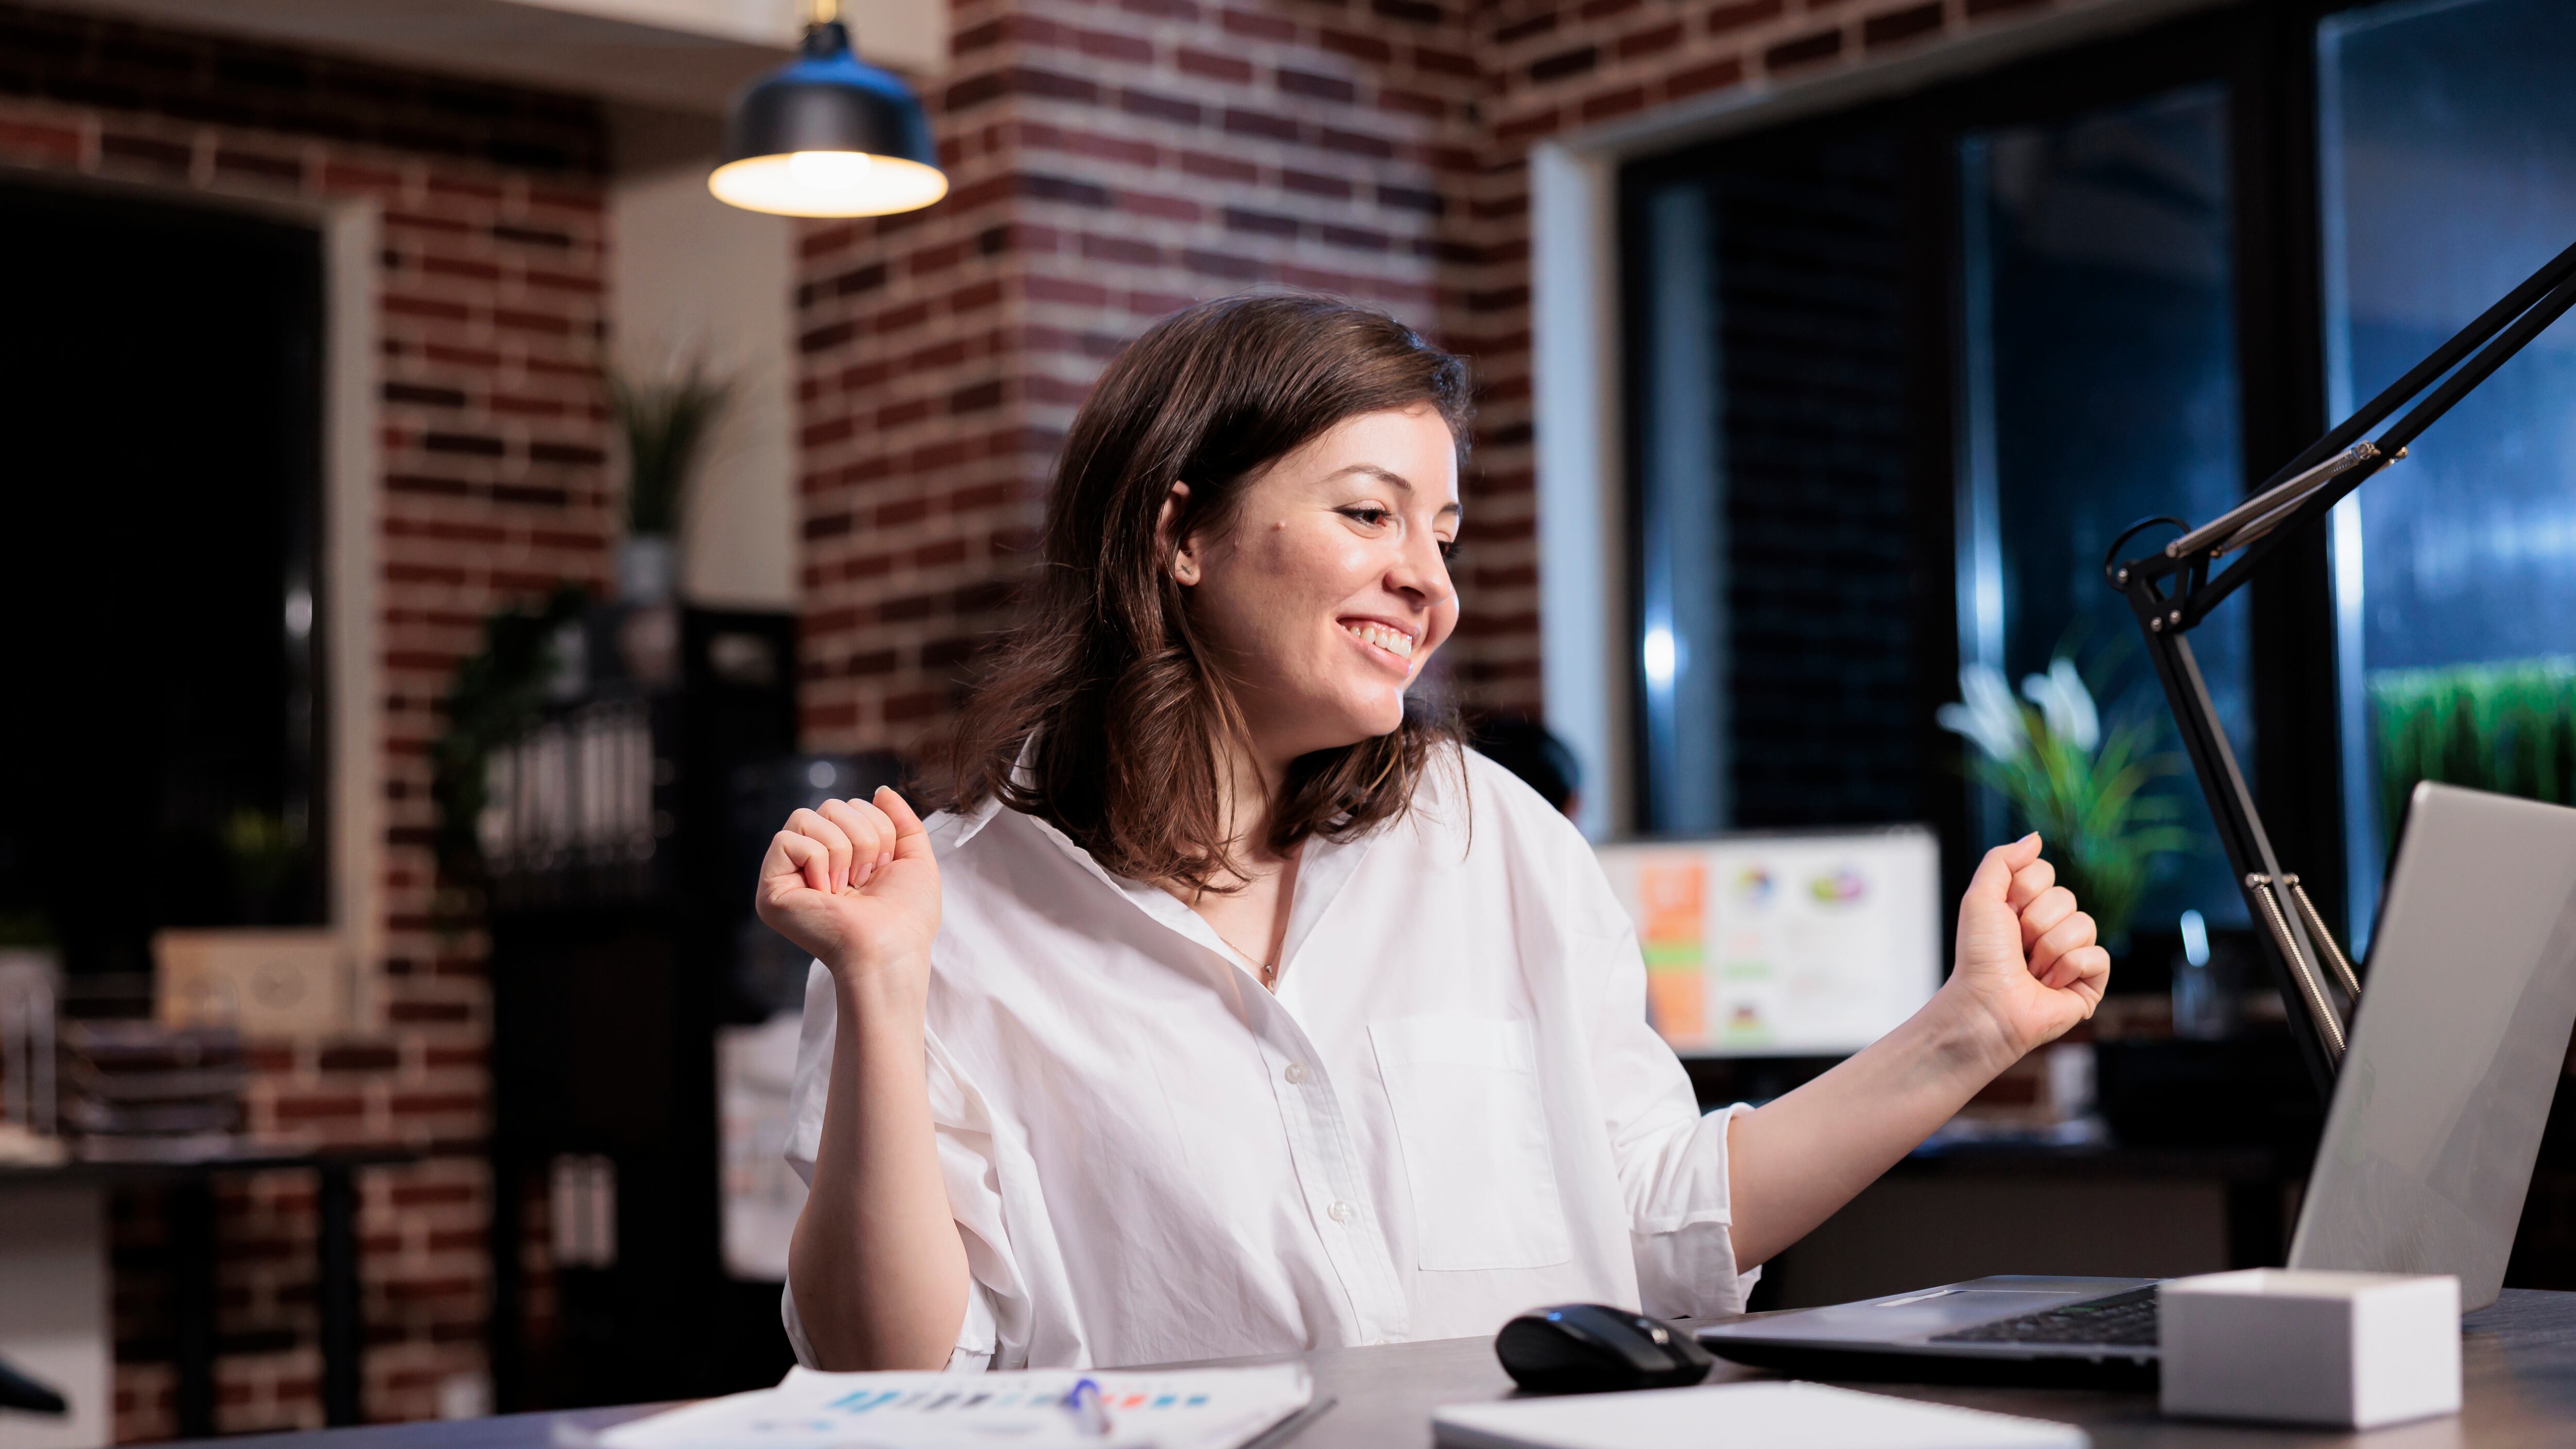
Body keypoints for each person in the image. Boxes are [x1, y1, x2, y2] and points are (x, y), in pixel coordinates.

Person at [755, 294, 2108, 1373]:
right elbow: (895, 1370)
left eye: (1444, 533)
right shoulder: (945, 914)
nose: (1429, 581)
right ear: (1181, 533)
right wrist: (877, 990)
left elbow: (1661, 1218)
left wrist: (1971, 1030)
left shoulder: (1496, 839)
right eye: (1369, 514)